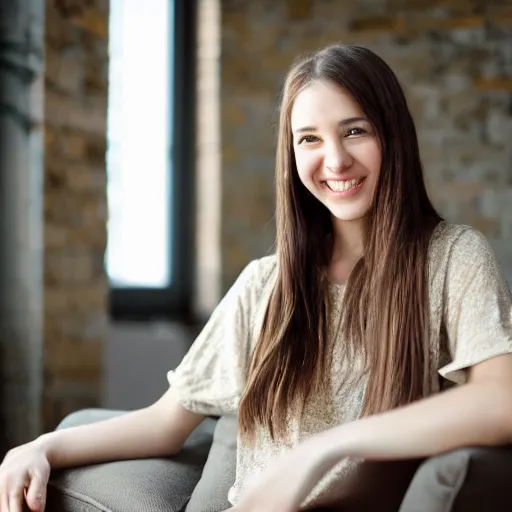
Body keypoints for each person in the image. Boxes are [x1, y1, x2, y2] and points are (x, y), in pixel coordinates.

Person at [1, 43, 512, 512]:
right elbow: (163, 423)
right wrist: (42, 445)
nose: (335, 160)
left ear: (392, 134)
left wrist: (324, 449)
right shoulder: (264, 285)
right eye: (310, 139)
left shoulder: (452, 259)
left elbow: (500, 401)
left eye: (355, 130)